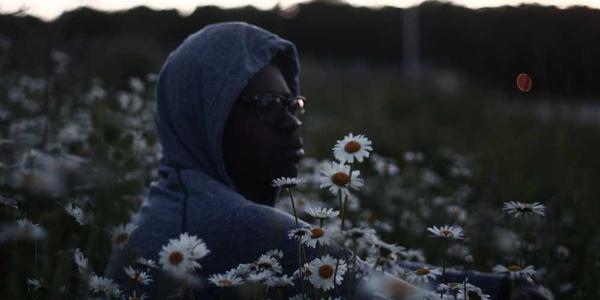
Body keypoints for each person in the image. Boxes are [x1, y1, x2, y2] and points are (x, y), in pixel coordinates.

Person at [106, 21, 552, 300]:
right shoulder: (239, 226)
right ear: (206, 116)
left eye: (292, 104)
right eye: (266, 105)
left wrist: (500, 288)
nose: (290, 123)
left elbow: (367, 268)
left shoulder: (173, 200)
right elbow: (379, 287)